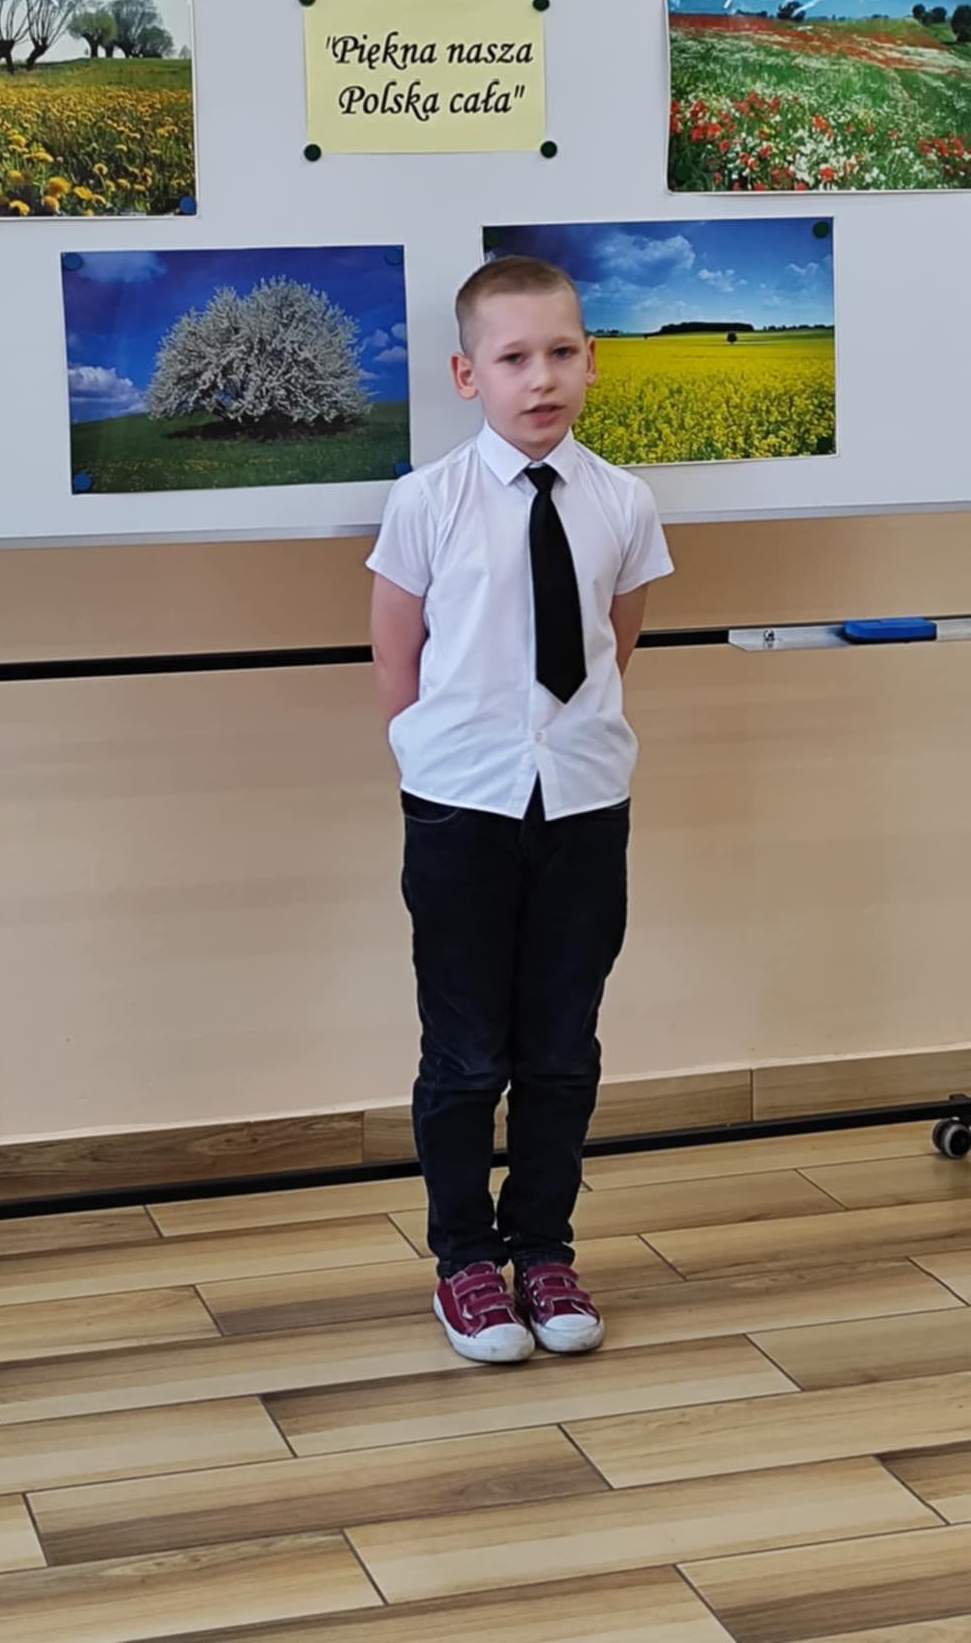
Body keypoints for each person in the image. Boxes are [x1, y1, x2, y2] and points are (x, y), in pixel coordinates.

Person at [367, 255, 673, 1364]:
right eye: (512, 358)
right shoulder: (427, 501)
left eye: (561, 352)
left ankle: (544, 1247)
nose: (539, 377)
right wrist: (426, 752)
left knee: (561, 1047)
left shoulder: (623, 501)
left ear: (590, 361)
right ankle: (465, 1260)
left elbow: (616, 637)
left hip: (584, 801)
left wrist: (562, 739)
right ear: (468, 375)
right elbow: (396, 651)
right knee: (463, 1053)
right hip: (462, 807)